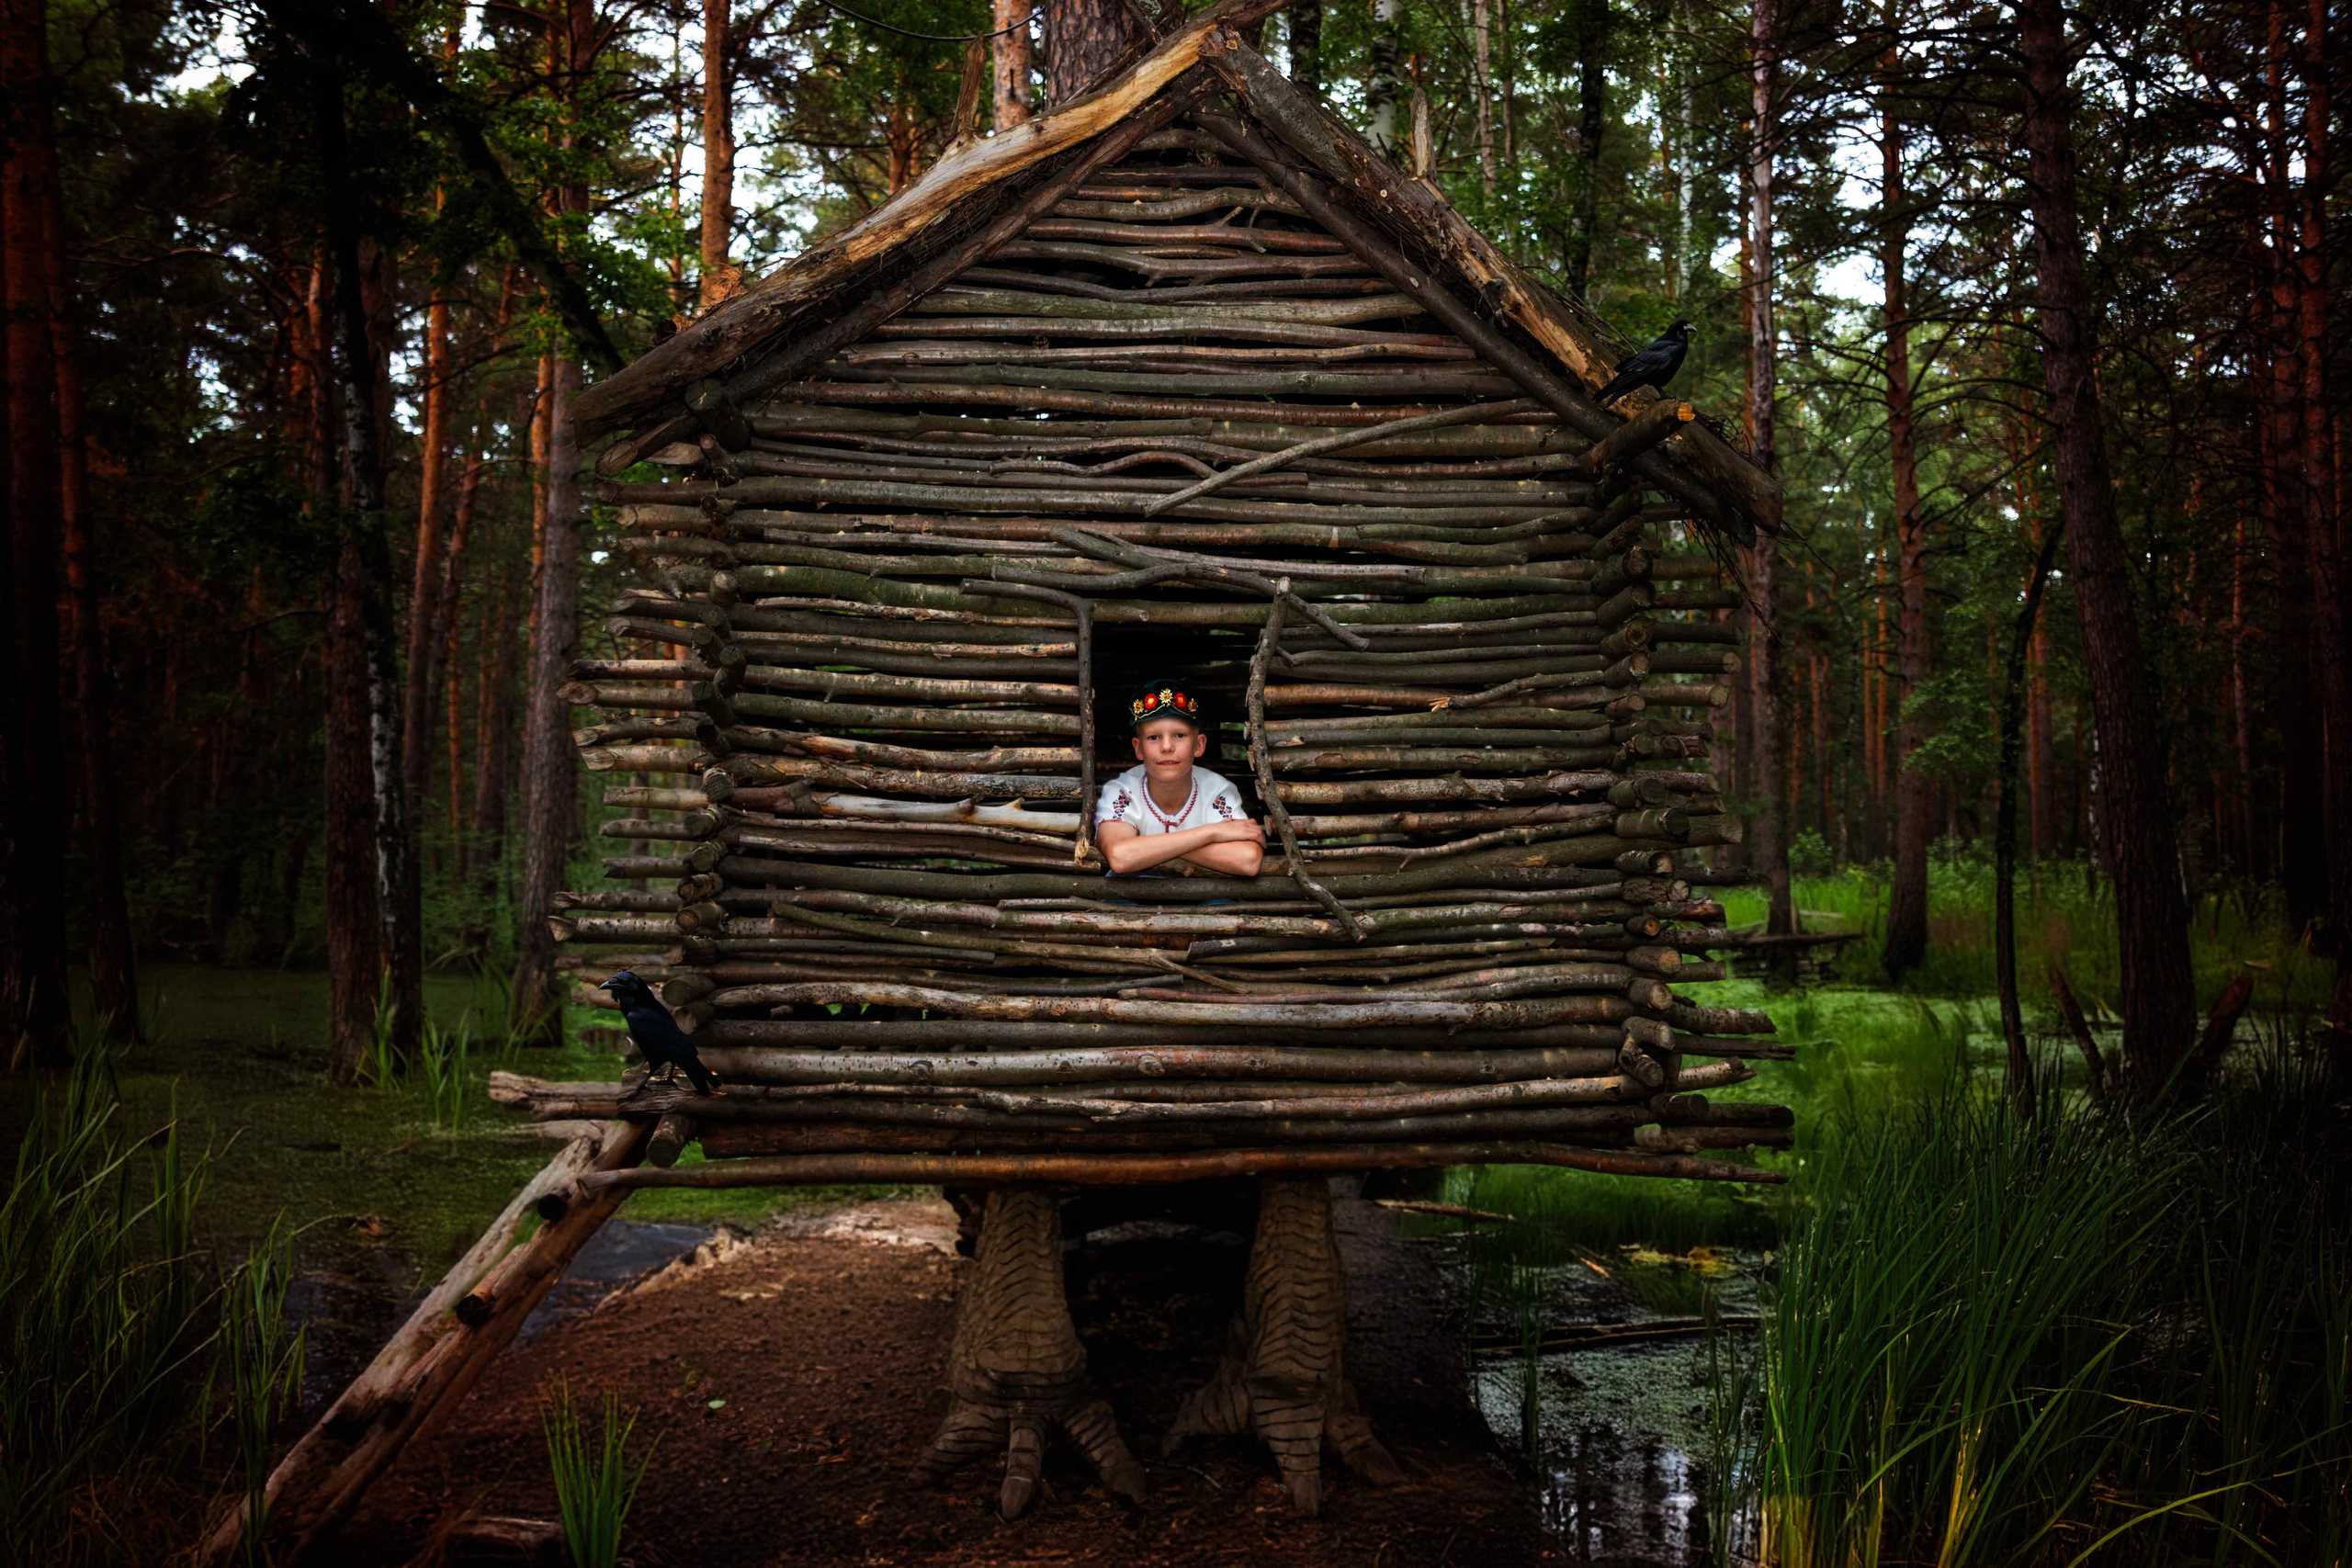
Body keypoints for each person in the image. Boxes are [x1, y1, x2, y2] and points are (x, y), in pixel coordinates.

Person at [1096, 681, 1266, 876]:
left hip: (1203, 903)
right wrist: (1211, 833)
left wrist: (1146, 845)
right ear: (1138, 748)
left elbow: (1248, 860)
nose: (1167, 747)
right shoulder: (1122, 791)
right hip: (1128, 901)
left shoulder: (1216, 790)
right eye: (1154, 737)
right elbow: (1120, 857)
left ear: (1199, 745)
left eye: (1179, 735)